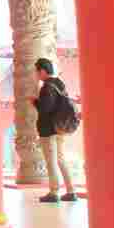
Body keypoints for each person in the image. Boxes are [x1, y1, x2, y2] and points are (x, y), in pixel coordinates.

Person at [32, 58, 77, 203]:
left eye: (37, 72)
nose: (36, 75)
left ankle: (54, 191)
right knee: (60, 159)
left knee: (51, 161)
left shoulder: (47, 87)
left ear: (43, 71)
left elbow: (46, 109)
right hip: (60, 129)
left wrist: (35, 102)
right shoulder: (59, 83)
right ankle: (71, 191)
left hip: (49, 130)